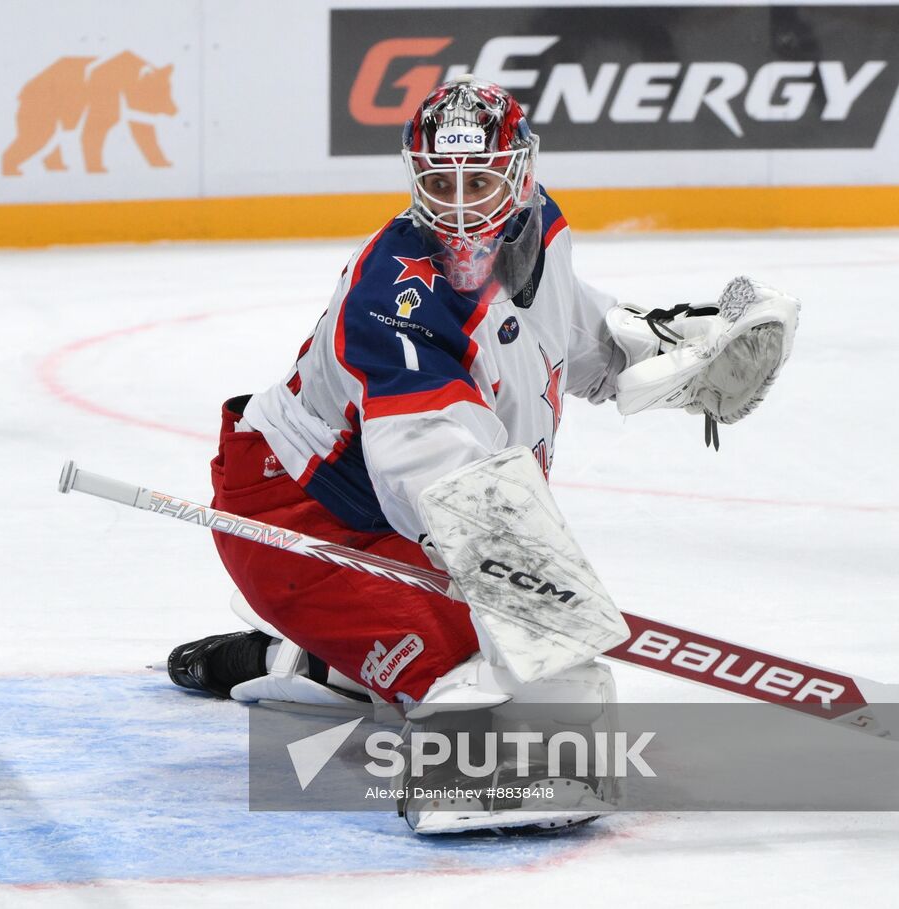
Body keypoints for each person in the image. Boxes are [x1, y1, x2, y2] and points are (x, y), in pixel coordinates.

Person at [166, 74, 798, 834]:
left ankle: (318, 662)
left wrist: (667, 357)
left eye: (482, 177)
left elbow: (569, 337)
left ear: (522, 171)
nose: (461, 203)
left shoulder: (538, 234)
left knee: (534, 659)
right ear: (413, 177)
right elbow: (432, 474)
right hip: (298, 522)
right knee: (513, 681)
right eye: (439, 179)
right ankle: (396, 713)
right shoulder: (394, 301)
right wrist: (534, 595)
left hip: (373, 516)